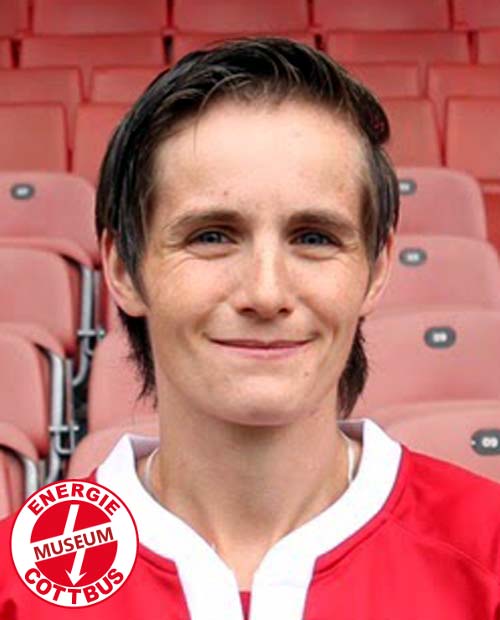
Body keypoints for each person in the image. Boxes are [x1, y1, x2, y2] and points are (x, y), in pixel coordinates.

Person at [1, 37, 500, 619]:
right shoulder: (15, 585)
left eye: (314, 238)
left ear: (377, 269)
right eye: (212, 236)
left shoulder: (486, 549)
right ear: (122, 268)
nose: (266, 293)